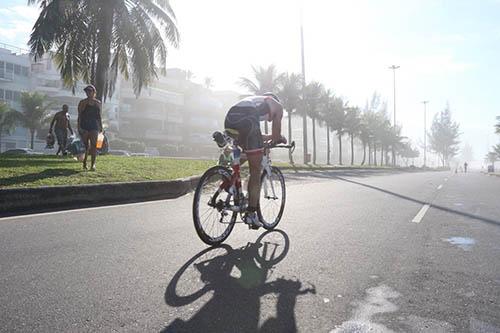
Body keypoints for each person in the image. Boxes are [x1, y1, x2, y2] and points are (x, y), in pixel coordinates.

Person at [224, 92, 285, 228]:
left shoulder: (255, 102)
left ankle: (227, 177)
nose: (269, 120)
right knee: (256, 170)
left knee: (246, 153)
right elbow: (276, 137)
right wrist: (279, 138)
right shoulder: (278, 106)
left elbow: (254, 133)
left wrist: (269, 136)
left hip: (230, 118)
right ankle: (251, 214)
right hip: (248, 118)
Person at [77, 84, 103, 171]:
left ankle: (93, 164)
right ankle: (84, 162)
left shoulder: (98, 103)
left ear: (94, 92)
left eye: (90, 91)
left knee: (94, 145)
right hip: (84, 125)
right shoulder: (82, 102)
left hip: (94, 125)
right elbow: (80, 116)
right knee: (86, 146)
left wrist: (101, 126)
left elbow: (99, 116)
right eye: (87, 91)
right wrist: (79, 127)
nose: (88, 93)